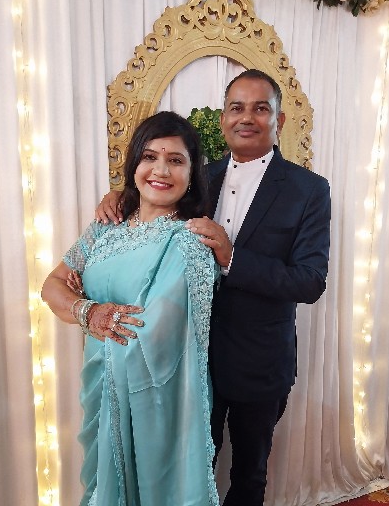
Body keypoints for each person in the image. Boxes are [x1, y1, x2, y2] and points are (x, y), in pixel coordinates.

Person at [96, 69, 331, 506]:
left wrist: (233, 257)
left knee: (248, 475)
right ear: (223, 119)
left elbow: (311, 280)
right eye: (236, 108)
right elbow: (156, 210)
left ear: (278, 121)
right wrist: (120, 197)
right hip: (187, 360)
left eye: (260, 109)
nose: (247, 118)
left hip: (258, 360)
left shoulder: (308, 189)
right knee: (185, 473)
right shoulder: (200, 176)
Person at [42, 111, 220, 506]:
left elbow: (156, 333)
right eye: (150, 157)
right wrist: (89, 311)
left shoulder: (189, 242)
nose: (161, 170)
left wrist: (85, 310)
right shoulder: (104, 228)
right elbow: (51, 286)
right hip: (99, 385)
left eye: (176, 160)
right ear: (134, 164)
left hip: (154, 398)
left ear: (192, 174)